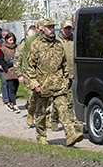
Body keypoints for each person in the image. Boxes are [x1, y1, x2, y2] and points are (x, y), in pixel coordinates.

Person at [25, 18, 84, 147]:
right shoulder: (36, 44)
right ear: (43, 29)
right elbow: (30, 66)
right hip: (42, 84)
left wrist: (66, 78)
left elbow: (64, 63)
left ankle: (70, 134)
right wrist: (34, 84)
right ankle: (41, 136)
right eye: (49, 27)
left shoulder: (58, 44)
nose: (52, 29)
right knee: (41, 113)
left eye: (53, 27)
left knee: (63, 109)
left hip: (58, 83)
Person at [17, 24, 38, 127]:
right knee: (32, 96)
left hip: (38, 74)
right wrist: (19, 75)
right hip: (27, 74)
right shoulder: (22, 47)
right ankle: (31, 114)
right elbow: (17, 61)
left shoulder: (37, 46)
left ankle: (44, 118)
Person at [0, 31, 21, 112]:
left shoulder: (17, 47)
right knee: (11, 88)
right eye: (10, 40)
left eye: (13, 40)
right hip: (9, 70)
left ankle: (10, 103)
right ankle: (14, 105)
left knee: (15, 88)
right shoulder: (3, 49)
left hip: (17, 70)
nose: (12, 42)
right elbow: (1, 60)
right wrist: (6, 69)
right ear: (6, 40)